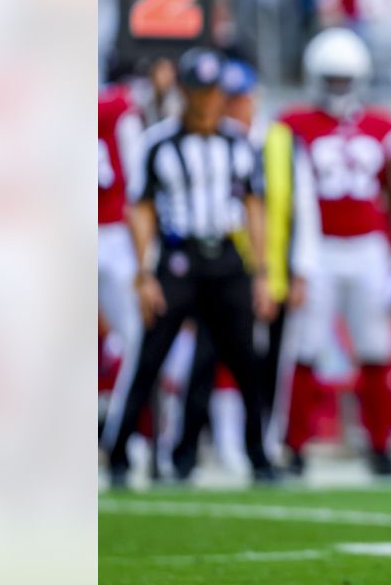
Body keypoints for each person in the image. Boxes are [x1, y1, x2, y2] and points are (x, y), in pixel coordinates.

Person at [104, 47, 277, 487]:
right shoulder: (158, 142)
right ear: (183, 91)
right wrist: (143, 274)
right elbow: (139, 209)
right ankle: (120, 452)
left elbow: (254, 206)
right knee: (149, 358)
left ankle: (259, 454)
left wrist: (260, 272)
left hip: (226, 258)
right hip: (177, 260)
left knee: (246, 363)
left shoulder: (239, 143)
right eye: (196, 91)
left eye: (211, 91)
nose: (204, 101)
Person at [170, 59, 320, 477]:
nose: (233, 108)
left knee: (269, 364)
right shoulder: (211, 141)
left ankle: (263, 447)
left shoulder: (280, 142)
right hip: (217, 275)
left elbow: (303, 209)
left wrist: (298, 272)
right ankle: (188, 450)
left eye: (239, 99)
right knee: (205, 361)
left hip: (266, 273)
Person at [280, 28, 391, 477]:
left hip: (367, 248)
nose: (339, 88)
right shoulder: (293, 124)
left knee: (375, 349)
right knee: (305, 349)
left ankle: (378, 445)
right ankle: (294, 446)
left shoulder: (382, 126)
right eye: (331, 79)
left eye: (345, 79)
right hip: (315, 250)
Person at [98, 85, 145, 435]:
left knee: (137, 338)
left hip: (114, 233)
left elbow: (135, 184)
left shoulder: (118, 108)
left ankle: (124, 433)